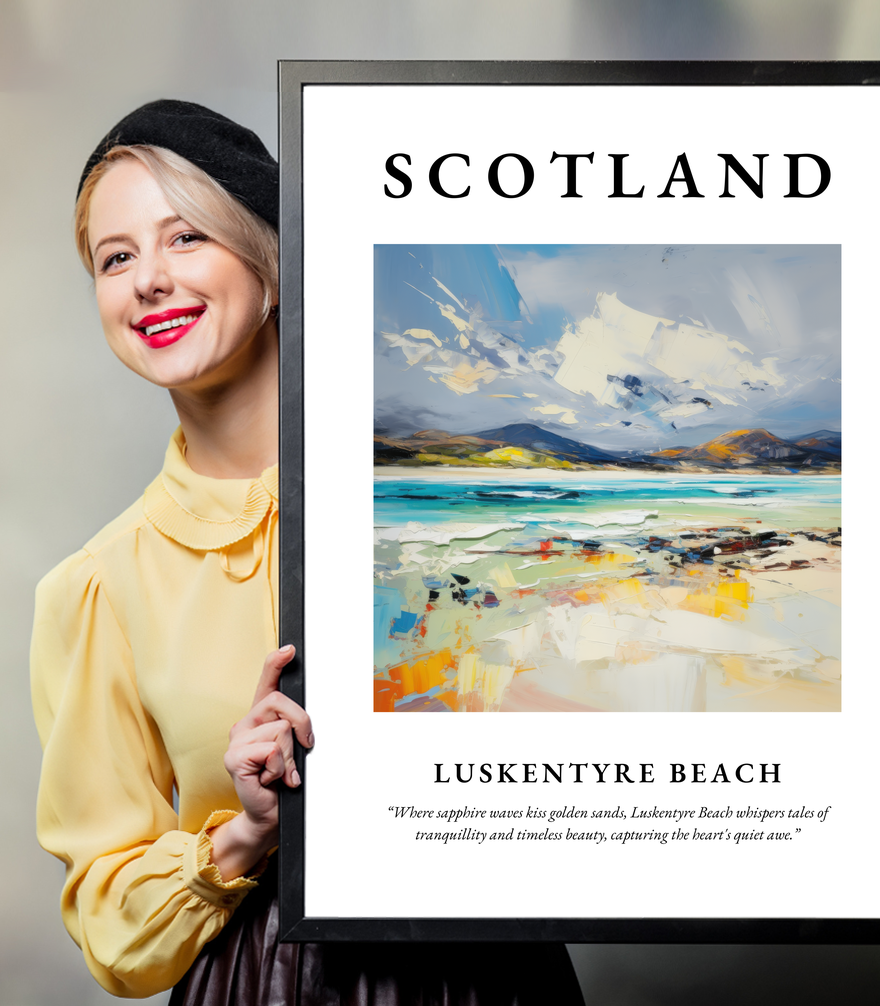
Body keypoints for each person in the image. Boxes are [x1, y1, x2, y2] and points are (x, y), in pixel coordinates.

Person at [30, 100, 586, 1004]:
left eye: (185, 239)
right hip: (262, 982)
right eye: (116, 257)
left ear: (273, 263)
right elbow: (110, 923)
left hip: (492, 973)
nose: (148, 281)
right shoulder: (97, 587)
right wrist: (245, 832)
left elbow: (608, 710)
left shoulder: (438, 508)